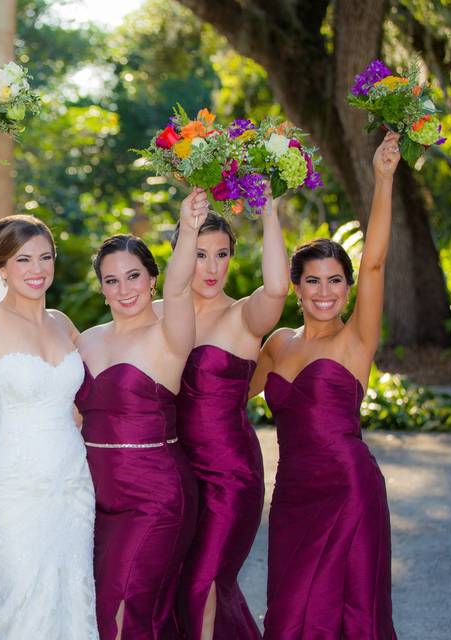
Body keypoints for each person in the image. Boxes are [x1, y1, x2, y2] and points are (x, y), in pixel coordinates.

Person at [251, 132, 401, 639]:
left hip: (349, 491)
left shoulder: (356, 340)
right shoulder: (275, 345)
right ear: (295, 287)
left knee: (352, 613)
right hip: (292, 495)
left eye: (335, 280)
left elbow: (376, 261)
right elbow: (218, 396)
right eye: (313, 281)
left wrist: (383, 180)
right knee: (290, 616)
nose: (324, 292)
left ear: (348, 287)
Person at [0, 165, 98, 639]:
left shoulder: (62, 323)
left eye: (44, 258)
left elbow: (95, 392)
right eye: (22, 260)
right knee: (20, 593)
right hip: (14, 481)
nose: (36, 270)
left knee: (72, 589)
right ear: (0, 267)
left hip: (72, 479)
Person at [75, 189, 207, 639]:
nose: (124, 289)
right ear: (102, 288)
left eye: (133, 276)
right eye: (112, 280)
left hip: (156, 498)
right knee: (120, 610)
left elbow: (180, 285)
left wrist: (187, 229)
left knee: (123, 606)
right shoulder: (87, 340)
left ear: (152, 279)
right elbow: (69, 414)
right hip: (96, 501)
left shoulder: (169, 334)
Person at [174, 192, 288, 639]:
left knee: (203, 582)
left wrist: (271, 210)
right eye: (200, 255)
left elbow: (278, 289)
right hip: (174, 474)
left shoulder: (244, 316)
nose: (212, 267)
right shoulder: (160, 316)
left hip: (229, 474)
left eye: (222, 254)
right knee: (181, 581)